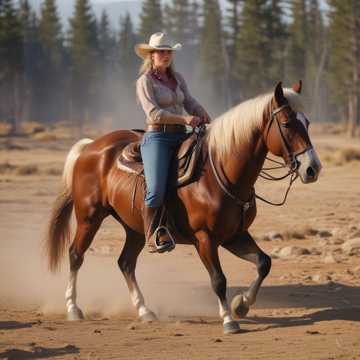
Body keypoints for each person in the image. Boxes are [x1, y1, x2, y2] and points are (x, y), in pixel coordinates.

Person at [135, 32, 211, 253]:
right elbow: (153, 114)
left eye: (168, 52)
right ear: (151, 55)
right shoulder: (144, 81)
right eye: (161, 51)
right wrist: (185, 119)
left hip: (182, 134)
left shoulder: (177, 78)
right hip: (158, 137)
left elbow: (188, 100)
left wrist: (200, 111)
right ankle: (151, 234)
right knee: (156, 188)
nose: (165, 55)